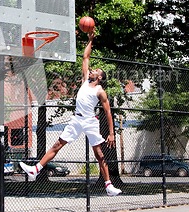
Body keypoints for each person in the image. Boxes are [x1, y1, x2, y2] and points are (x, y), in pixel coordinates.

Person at [20, 30, 122, 196]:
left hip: (90, 121)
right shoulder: (84, 81)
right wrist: (90, 40)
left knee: (100, 154)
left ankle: (108, 185)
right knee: (57, 145)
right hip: (77, 120)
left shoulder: (100, 91)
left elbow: (108, 112)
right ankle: (36, 169)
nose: (92, 70)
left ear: (100, 78)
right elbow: (86, 58)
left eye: (96, 71)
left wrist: (111, 133)